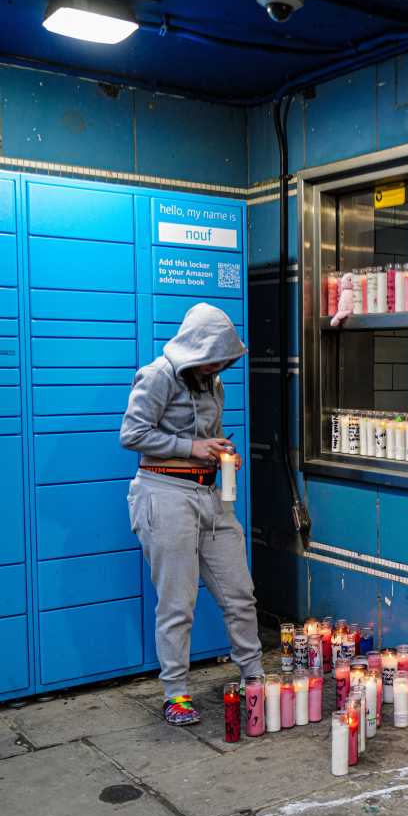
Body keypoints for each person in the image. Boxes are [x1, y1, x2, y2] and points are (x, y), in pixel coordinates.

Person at [120, 303, 264, 725]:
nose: (222, 363)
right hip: (164, 495)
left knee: (240, 593)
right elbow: (132, 434)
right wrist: (193, 449)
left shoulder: (212, 382)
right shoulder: (158, 375)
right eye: (217, 354)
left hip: (210, 496)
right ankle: (175, 694)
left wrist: (222, 452)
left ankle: (254, 676)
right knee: (178, 602)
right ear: (198, 346)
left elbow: (207, 436)